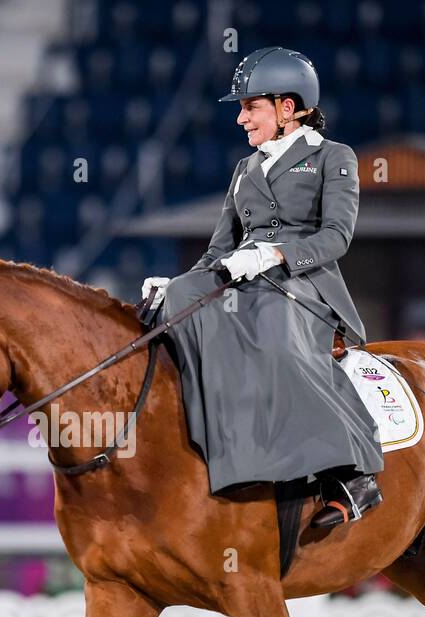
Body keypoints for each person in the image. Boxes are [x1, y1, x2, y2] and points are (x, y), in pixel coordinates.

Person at [142, 47, 383, 526]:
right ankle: (217, 447)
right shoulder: (244, 170)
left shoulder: (332, 157)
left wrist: (275, 255)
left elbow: (336, 236)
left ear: (287, 107)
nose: (240, 119)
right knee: (173, 308)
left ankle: (351, 472)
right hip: (242, 276)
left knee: (270, 328)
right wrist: (174, 285)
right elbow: (216, 251)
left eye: (250, 107)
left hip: (303, 284)